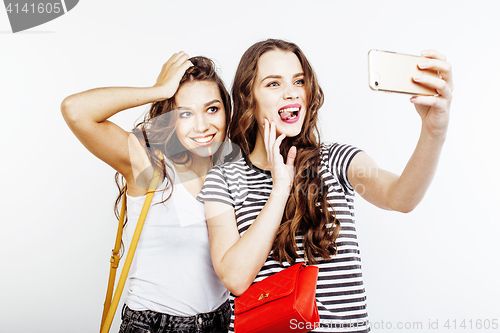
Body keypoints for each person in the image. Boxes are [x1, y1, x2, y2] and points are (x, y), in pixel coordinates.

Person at [197, 39, 453, 332]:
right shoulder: (223, 179)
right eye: (273, 84)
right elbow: (235, 277)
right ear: (248, 98)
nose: (292, 93)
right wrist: (280, 189)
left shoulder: (336, 159)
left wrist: (434, 131)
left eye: (299, 81)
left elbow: (400, 197)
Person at [61, 52, 232, 333]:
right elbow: (75, 110)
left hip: (221, 321)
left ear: (226, 110)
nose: (202, 126)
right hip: (156, 325)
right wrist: (158, 91)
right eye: (185, 113)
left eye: (212, 109)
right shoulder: (150, 163)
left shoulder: (231, 170)